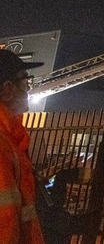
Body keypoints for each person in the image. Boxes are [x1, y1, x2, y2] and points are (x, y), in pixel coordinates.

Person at [0, 49, 45, 244]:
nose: (28, 89)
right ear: (8, 88)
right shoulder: (3, 145)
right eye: (25, 82)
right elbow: (6, 222)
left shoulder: (11, 138)